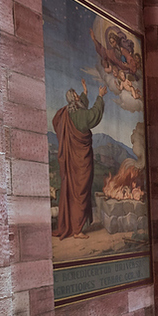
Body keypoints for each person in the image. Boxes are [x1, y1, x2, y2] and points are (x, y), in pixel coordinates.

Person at [53, 79, 108, 240]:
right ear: (74, 99)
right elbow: (93, 115)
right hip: (81, 162)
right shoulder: (80, 115)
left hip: (72, 162)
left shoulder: (66, 112)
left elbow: (80, 110)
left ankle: (76, 226)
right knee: (81, 192)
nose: (79, 96)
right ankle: (77, 230)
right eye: (77, 94)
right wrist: (100, 97)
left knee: (74, 192)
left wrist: (85, 92)